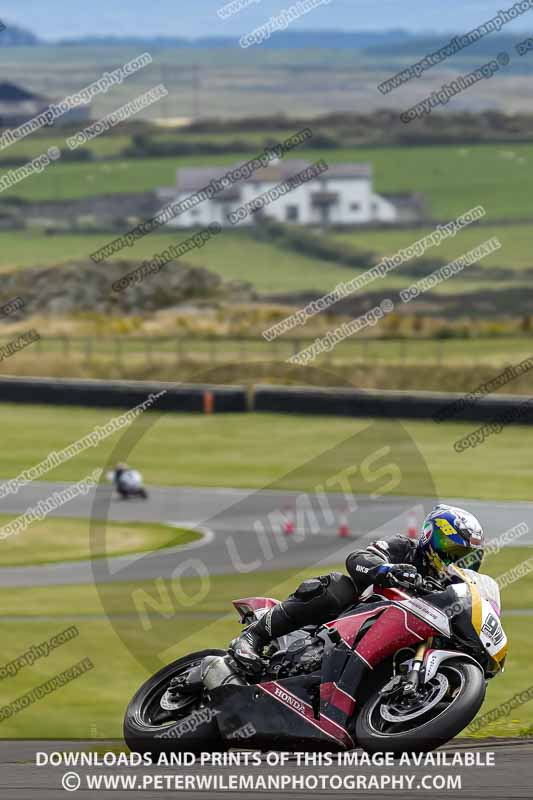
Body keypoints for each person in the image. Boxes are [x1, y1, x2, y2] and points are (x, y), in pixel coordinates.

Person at [230, 503, 485, 672]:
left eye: (466, 557)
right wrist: (387, 570)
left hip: (390, 640)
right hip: (352, 618)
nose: (456, 561)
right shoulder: (403, 547)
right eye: (454, 552)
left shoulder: (450, 585)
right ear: (433, 536)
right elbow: (358, 558)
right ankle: (254, 636)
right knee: (339, 586)